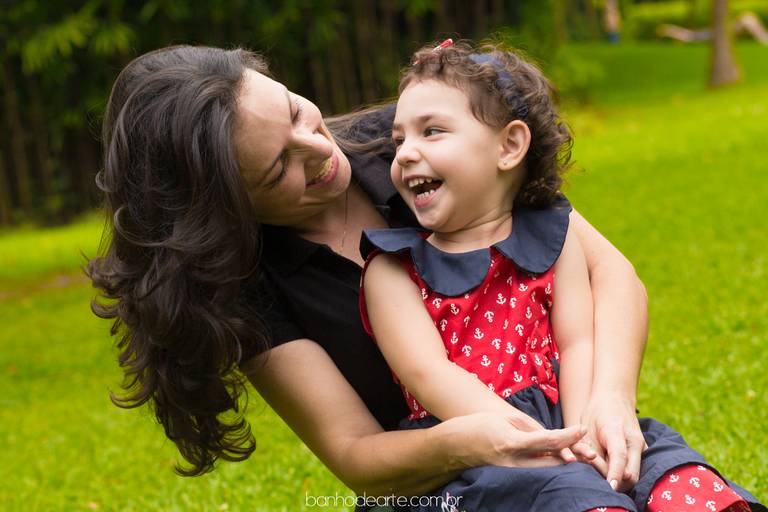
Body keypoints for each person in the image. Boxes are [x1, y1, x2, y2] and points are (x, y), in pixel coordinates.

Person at [88, 44, 649, 502]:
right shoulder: (244, 288)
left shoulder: (416, 140)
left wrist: (609, 401)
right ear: (225, 206)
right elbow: (356, 453)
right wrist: (470, 441)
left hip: (572, 431)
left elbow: (608, 273)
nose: (317, 148)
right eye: (279, 166)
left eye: (293, 111)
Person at [359, 41, 764, 512]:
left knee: (663, 473)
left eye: (432, 132)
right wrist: (544, 445)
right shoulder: (393, 269)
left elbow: (578, 342)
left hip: (573, 420)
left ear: (509, 146)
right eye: (399, 139)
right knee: (576, 497)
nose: (406, 153)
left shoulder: (554, 237)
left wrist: (584, 436)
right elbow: (430, 375)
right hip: (479, 452)